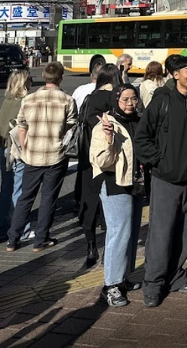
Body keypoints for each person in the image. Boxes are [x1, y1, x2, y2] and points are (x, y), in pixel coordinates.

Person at [134, 55, 187, 307]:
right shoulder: (162, 100)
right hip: (165, 180)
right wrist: (159, 162)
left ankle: (175, 276)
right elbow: (142, 138)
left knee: (185, 233)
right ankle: (153, 284)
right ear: (175, 74)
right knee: (161, 234)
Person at [7, 63, 77, 252]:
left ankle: (13, 239)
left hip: (31, 155)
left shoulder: (29, 99)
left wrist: (24, 146)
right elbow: (71, 128)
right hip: (55, 155)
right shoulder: (67, 100)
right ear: (61, 77)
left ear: (45, 77)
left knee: (25, 197)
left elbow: (21, 126)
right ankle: (40, 239)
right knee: (48, 198)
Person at [90, 85, 146, 307]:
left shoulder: (139, 120)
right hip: (114, 183)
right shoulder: (105, 125)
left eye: (134, 99)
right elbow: (101, 162)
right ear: (116, 101)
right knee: (118, 232)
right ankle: (110, 285)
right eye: (125, 100)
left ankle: (124, 278)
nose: (130, 103)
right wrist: (109, 139)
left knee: (131, 232)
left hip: (136, 183)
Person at [78, 63, 122, 267]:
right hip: (112, 160)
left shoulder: (89, 98)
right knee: (110, 206)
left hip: (89, 161)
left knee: (90, 203)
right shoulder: (116, 98)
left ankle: (90, 248)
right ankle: (108, 251)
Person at [0, 69, 33, 240]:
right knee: (20, 188)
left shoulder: (7, 100)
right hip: (17, 148)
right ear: (24, 83)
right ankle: (22, 228)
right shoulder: (25, 102)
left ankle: (3, 222)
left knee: (6, 187)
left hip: (3, 147)